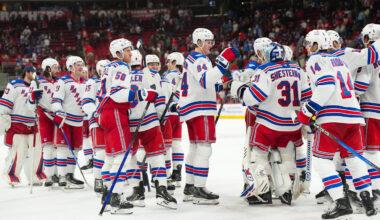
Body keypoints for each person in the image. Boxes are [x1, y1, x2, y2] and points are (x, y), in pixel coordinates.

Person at [297, 29, 376, 218]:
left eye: (309, 44)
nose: (307, 48)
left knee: (322, 160)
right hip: (354, 116)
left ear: (316, 45)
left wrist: (306, 113)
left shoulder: (316, 60)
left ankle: (341, 202)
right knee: (354, 159)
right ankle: (367, 200)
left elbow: (326, 85)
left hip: (333, 117)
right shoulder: (340, 60)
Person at [231, 42, 310, 205]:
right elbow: (308, 96)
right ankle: (286, 190)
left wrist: (240, 91)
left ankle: (262, 191)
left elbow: (255, 96)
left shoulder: (265, 70)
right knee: (287, 155)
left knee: (258, 155)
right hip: (293, 123)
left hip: (269, 122)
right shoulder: (298, 69)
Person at [178, 28, 240, 205]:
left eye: (212, 42)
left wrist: (222, 84)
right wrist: (222, 62)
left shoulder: (192, 58)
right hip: (201, 109)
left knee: (195, 148)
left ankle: (190, 187)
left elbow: (204, 84)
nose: (211, 46)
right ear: (198, 42)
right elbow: (205, 80)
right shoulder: (200, 59)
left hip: (192, 107)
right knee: (204, 149)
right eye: (207, 42)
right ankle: (199, 189)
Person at [125, 50, 178, 209]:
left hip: (128, 123)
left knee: (131, 157)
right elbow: (160, 99)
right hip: (149, 120)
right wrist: (161, 118)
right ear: (142, 62)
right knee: (157, 155)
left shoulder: (122, 75)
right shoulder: (151, 74)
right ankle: (161, 190)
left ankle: (137, 192)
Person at [96, 38, 137, 214]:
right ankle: (116, 198)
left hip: (105, 112)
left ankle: (107, 193)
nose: (131, 53)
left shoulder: (108, 67)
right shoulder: (121, 67)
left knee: (111, 157)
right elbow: (118, 93)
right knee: (122, 156)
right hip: (114, 112)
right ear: (118, 53)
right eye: (127, 50)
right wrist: (140, 93)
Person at [1, 66, 45, 186]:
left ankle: (35, 176)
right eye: (32, 72)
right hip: (17, 122)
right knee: (18, 151)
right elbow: (5, 103)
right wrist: (3, 115)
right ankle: (11, 175)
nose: (34, 74)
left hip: (33, 123)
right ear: (26, 73)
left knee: (37, 151)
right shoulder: (14, 85)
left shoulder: (38, 86)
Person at [353, 24, 380, 203]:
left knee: (370, 152)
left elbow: (361, 86)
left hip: (371, 110)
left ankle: (375, 187)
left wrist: (349, 92)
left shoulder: (368, 56)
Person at [51, 56, 86, 189]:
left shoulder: (86, 83)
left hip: (79, 120)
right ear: (70, 67)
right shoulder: (63, 82)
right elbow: (55, 100)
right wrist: (58, 111)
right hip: (65, 120)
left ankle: (70, 175)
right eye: (77, 65)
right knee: (63, 148)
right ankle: (62, 176)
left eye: (81, 64)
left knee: (75, 150)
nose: (80, 67)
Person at [27, 58, 60, 187]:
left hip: (58, 116)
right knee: (48, 147)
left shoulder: (60, 82)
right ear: (48, 68)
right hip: (44, 116)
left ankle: (57, 173)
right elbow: (29, 105)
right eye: (55, 67)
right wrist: (33, 98)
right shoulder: (37, 82)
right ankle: (49, 176)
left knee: (59, 147)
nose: (58, 70)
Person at [81, 59, 110, 194]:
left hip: (113, 122)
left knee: (115, 152)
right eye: (103, 68)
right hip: (97, 122)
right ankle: (98, 178)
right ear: (99, 71)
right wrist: (96, 114)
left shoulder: (115, 82)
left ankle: (113, 177)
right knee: (101, 152)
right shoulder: (92, 82)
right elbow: (86, 102)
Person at [165, 52, 185, 187]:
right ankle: (177, 173)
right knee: (177, 143)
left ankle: (165, 176)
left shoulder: (168, 76)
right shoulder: (185, 76)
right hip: (180, 114)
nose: (166, 64)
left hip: (168, 113)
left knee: (166, 145)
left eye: (168, 62)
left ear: (174, 62)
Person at [80, 66, 93, 171]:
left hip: (90, 114)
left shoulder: (90, 83)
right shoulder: (76, 83)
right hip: (81, 116)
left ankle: (95, 159)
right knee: (85, 139)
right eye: (82, 71)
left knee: (92, 138)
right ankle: (89, 160)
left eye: (85, 72)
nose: (83, 73)